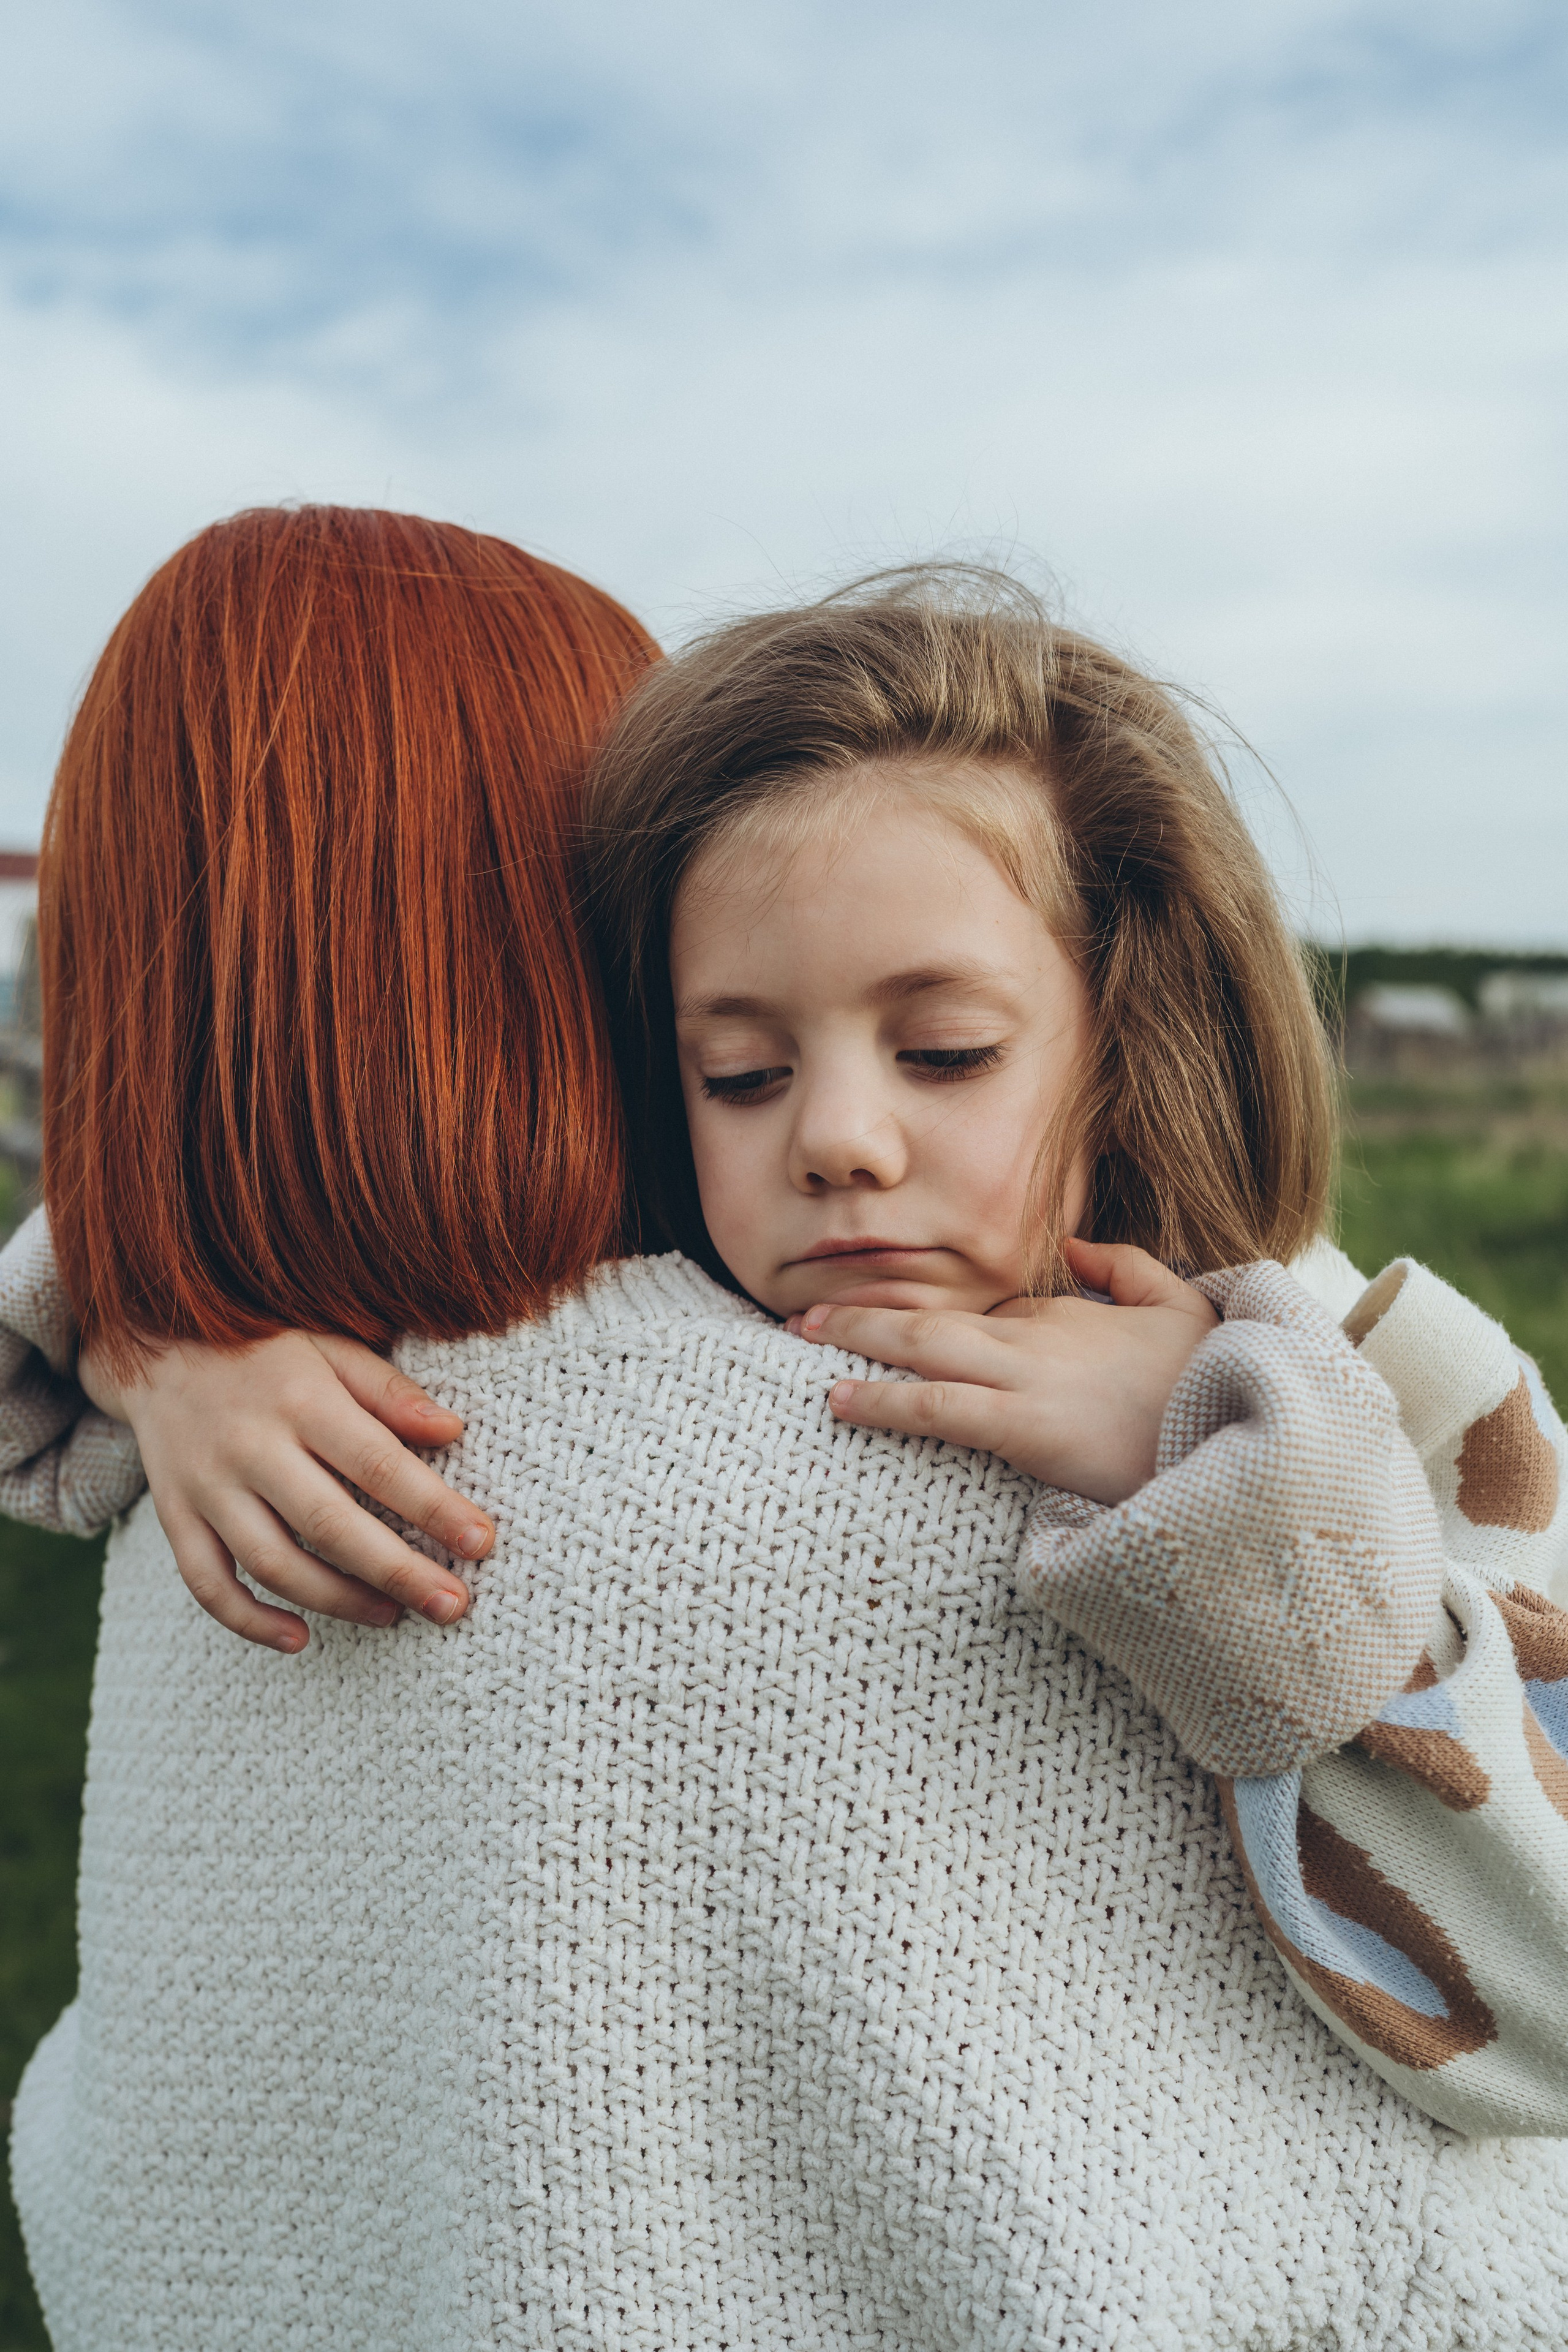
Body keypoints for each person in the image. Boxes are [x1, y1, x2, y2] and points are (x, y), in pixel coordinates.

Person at [9, 537, 1568, 2350]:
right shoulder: (652, 1308)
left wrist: (1230, 1462)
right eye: (737, 1075)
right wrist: (161, 1322)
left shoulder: (1324, 1375)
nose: (836, 1138)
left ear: (1128, 1033)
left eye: (951, 1050)